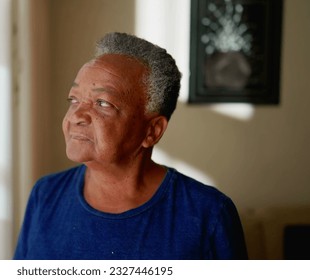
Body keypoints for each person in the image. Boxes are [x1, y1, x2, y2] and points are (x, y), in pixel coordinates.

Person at [13, 32, 247, 259]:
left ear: (152, 131)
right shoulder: (45, 195)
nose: (77, 116)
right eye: (74, 99)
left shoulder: (209, 215)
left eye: (103, 103)